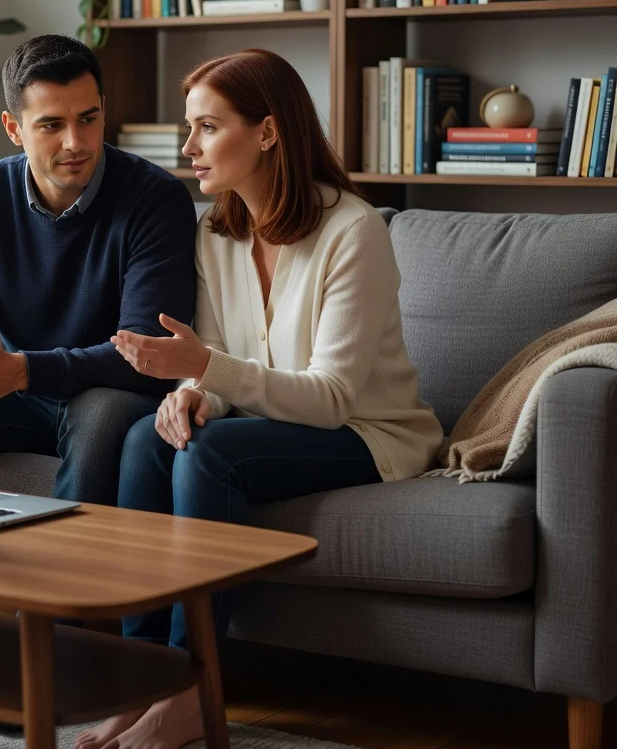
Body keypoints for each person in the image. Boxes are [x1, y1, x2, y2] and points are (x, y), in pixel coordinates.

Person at [77, 49, 443, 749]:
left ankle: (193, 688)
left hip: (369, 431)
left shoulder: (352, 230)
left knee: (210, 460)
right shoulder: (215, 234)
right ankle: (140, 678)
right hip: (271, 416)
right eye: (191, 129)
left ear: (268, 132)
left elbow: (333, 397)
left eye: (208, 127)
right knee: (144, 439)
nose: (190, 148)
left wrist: (206, 372)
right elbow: (221, 360)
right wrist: (189, 394)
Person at [0, 33, 198, 509]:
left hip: (113, 392)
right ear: (13, 128)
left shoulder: (155, 200)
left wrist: (20, 370)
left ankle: (68, 581)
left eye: (88, 119)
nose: (75, 143)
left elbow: (147, 350)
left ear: (103, 107)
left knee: (99, 413)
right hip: (24, 397)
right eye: (51, 125)